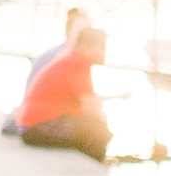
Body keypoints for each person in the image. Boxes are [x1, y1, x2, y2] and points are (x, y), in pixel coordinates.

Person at [16, 20, 111, 162]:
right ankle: (95, 169)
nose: (104, 53)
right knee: (98, 129)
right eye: (102, 48)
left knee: (92, 127)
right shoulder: (77, 63)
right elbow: (91, 108)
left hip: (32, 127)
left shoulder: (71, 58)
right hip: (36, 128)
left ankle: (90, 162)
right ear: (86, 46)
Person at [1, 8, 86, 136]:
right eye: (84, 31)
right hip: (35, 122)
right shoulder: (64, 57)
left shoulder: (63, 54)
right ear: (70, 31)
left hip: (32, 116)